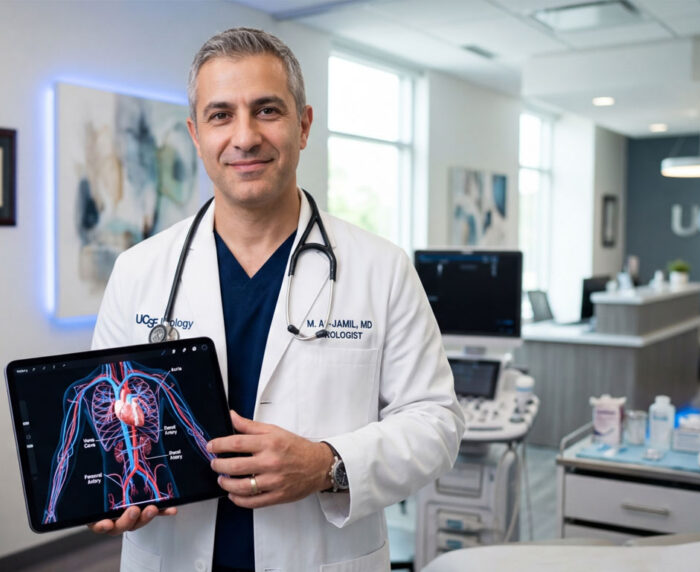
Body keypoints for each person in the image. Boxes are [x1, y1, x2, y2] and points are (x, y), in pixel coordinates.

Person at [89, 27, 464, 572]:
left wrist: (327, 464)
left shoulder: (380, 268)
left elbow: (436, 422)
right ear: (196, 134)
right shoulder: (140, 270)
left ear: (303, 125)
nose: (244, 137)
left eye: (267, 110)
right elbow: (109, 427)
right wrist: (116, 485)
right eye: (221, 115)